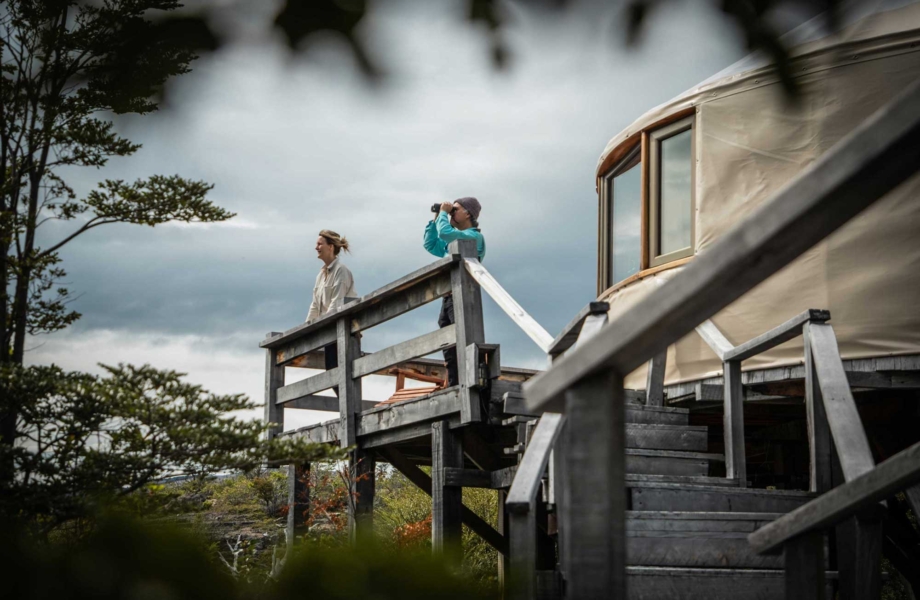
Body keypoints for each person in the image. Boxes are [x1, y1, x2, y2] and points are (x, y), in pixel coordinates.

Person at [423, 197, 486, 387]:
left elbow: (445, 233)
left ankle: (468, 384)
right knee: (448, 343)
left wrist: (444, 213)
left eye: (455, 209)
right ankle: (454, 385)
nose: (451, 213)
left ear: (468, 213)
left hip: (463, 295)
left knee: (462, 340)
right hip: (449, 295)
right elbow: (430, 244)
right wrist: (437, 218)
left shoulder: (473, 237)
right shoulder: (454, 239)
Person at [307, 229, 357, 371]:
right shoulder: (320, 276)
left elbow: (336, 303)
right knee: (332, 372)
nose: (316, 247)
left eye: (319, 244)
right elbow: (315, 306)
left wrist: (321, 329)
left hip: (342, 334)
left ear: (330, 247)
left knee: (341, 373)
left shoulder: (341, 271)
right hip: (329, 333)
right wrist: (305, 332)